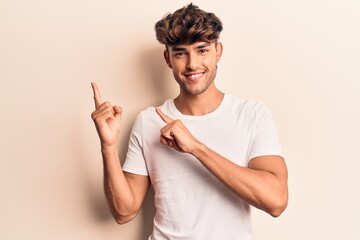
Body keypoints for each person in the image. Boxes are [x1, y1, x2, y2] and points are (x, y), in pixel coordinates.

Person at [91, 3, 288, 240]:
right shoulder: (148, 121)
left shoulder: (251, 114)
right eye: (181, 53)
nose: (192, 64)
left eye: (202, 50)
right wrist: (108, 146)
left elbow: (276, 201)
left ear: (219, 51)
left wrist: (196, 147)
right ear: (168, 58)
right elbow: (124, 212)